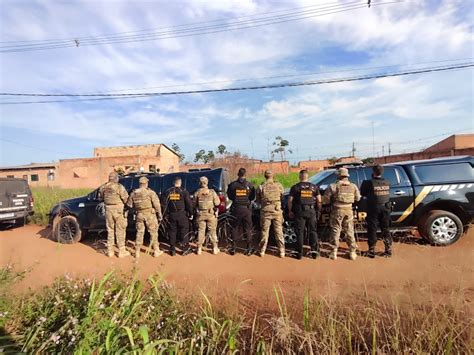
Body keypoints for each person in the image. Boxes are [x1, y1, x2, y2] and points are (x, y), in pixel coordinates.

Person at [324, 168, 361, 261]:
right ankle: (352, 252)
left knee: (336, 230)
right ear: (346, 176)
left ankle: (333, 252)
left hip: (337, 210)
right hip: (349, 210)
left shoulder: (333, 186)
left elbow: (326, 200)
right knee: (349, 230)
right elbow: (358, 198)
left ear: (339, 176)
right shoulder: (353, 186)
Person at [288, 169, 322, 259]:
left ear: (300, 177)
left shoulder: (295, 187)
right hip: (311, 211)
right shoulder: (314, 187)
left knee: (300, 232)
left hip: (300, 212)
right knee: (313, 231)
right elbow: (319, 201)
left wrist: (290, 211)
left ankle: (299, 253)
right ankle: (314, 253)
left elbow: (290, 201)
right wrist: (318, 211)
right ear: (307, 177)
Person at [127, 176, 163, 259]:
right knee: (153, 232)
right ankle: (156, 251)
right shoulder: (150, 193)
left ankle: (137, 252)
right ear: (146, 183)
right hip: (150, 215)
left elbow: (129, 205)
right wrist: (159, 215)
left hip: (139, 214)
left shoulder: (134, 193)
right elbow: (157, 205)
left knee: (140, 232)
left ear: (140, 184)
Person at [360, 165, 392, 258]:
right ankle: (388, 251)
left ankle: (371, 251)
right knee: (385, 229)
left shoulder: (368, 183)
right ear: (382, 172)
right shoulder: (387, 182)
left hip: (374, 208)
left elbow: (363, 193)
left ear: (373, 172)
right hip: (386, 208)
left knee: (372, 229)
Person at [98, 171, 129, 258]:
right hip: (118, 210)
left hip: (108, 210)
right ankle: (121, 251)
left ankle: (110, 251)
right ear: (116, 178)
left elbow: (101, 198)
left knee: (110, 230)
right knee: (120, 230)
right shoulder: (119, 187)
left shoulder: (103, 187)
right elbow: (125, 198)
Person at [227, 167, 256, 256]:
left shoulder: (233, 185)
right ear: (245, 174)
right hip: (246, 209)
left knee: (234, 227)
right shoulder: (250, 185)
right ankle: (249, 248)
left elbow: (230, 196)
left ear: (238, 174)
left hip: (236, 209)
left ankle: (233, 248)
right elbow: (252, 197)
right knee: (248, 228)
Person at [256, 170, 285, 258]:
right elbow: (282, 197)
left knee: (265, 231)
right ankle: (282, 251)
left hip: (266, 211)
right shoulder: (279, 186)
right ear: (273, 176)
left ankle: (262, 251)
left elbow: (258, 200)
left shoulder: (261, 187)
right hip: (277, 210)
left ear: (265, 176)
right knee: (279, 230)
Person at [162, 176, 193, 256]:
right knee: (184, 231)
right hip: (182, 215)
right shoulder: (184, 191)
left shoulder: (168, 192)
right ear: (180, 183)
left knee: (172, 232)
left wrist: (165, 215)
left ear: (173, 183)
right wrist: (191, 213)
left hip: (172, 215)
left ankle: (172, 249)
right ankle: (185, 249)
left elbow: (164, 205)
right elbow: (189, 204)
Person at [194, 176, 221, 255]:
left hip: (201, 214)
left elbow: (194, 203)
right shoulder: (212, 192)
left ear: (200, 183)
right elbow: (217, 203)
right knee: (212, 231)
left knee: (201, 230)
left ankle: (199, 249)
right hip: (210, 214)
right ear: (207, 182)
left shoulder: (197, 193)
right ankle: (215, 248)